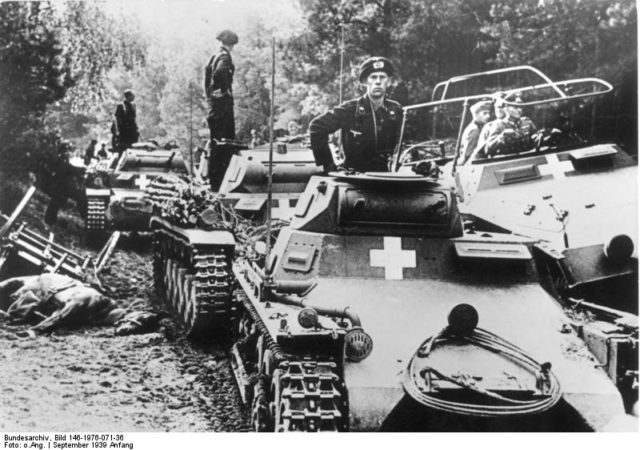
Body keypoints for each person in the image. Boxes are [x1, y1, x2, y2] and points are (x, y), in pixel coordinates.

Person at [310, 56, 403, 173]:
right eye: (373, 77)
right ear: (365, 81)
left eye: (382, 77)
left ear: (388, 81)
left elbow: (404, 140)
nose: (378, 81)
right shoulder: (351, 109)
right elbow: (317, 127)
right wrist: (328, 164)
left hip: (387, 176)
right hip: (356, 178)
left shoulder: (395, 110)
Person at [204, 29, 239, 189]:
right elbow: (220, 72)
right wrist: (224, 90)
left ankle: (214, 181)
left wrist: (210, 95)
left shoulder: (214, 56)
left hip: (214, 106)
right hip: (222, 107)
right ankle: (220, 182)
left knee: (216, 143)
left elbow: (208, 76)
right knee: (225, 143)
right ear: (231, 44)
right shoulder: (224, 57)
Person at [44, 141, 86, 226]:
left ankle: (50, 219)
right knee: (58, 201)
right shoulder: (60, 159)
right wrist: (80, 170)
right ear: (62, 150)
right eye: (66, 150)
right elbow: (68, 168)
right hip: (60, 185)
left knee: (57, 202)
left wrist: (79, 170)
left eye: (68, 151)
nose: (68, 152)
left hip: (63, 185)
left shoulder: (62, 158)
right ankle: (49, 220)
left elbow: (69, 168)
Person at [457, 100, 492, 165]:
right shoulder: (474, 130)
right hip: (470, 164)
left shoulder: (478, 127)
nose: (488, 116)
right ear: (476, 114)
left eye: (489, 113)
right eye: (484, 113)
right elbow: (467, 154)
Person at [111, 89, 139, 156]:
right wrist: (117, 132)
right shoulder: (121, 106)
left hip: (132, 132)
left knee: (133, 149)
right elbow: (116, 119)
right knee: (123, 150)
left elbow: (133, 119)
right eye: (132, 95)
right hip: (123, 133)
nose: (133, 96)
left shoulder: (133, 106)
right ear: (128, 96)